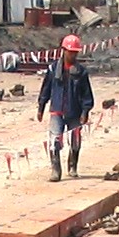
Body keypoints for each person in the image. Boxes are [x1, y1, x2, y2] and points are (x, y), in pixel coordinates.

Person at [36, 33, 93, 181]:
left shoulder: (81, 72)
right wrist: (41, 107)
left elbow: (87, 94)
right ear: (63, 50)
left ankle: (72, 166)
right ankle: (56, 171)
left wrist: (85, 111)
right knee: (54, 141)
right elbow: (46, 89)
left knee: (75, 141)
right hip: (57, 110)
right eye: (70, 52)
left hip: (75, 111)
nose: (73, 55)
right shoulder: (53, 69)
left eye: (75, 52)